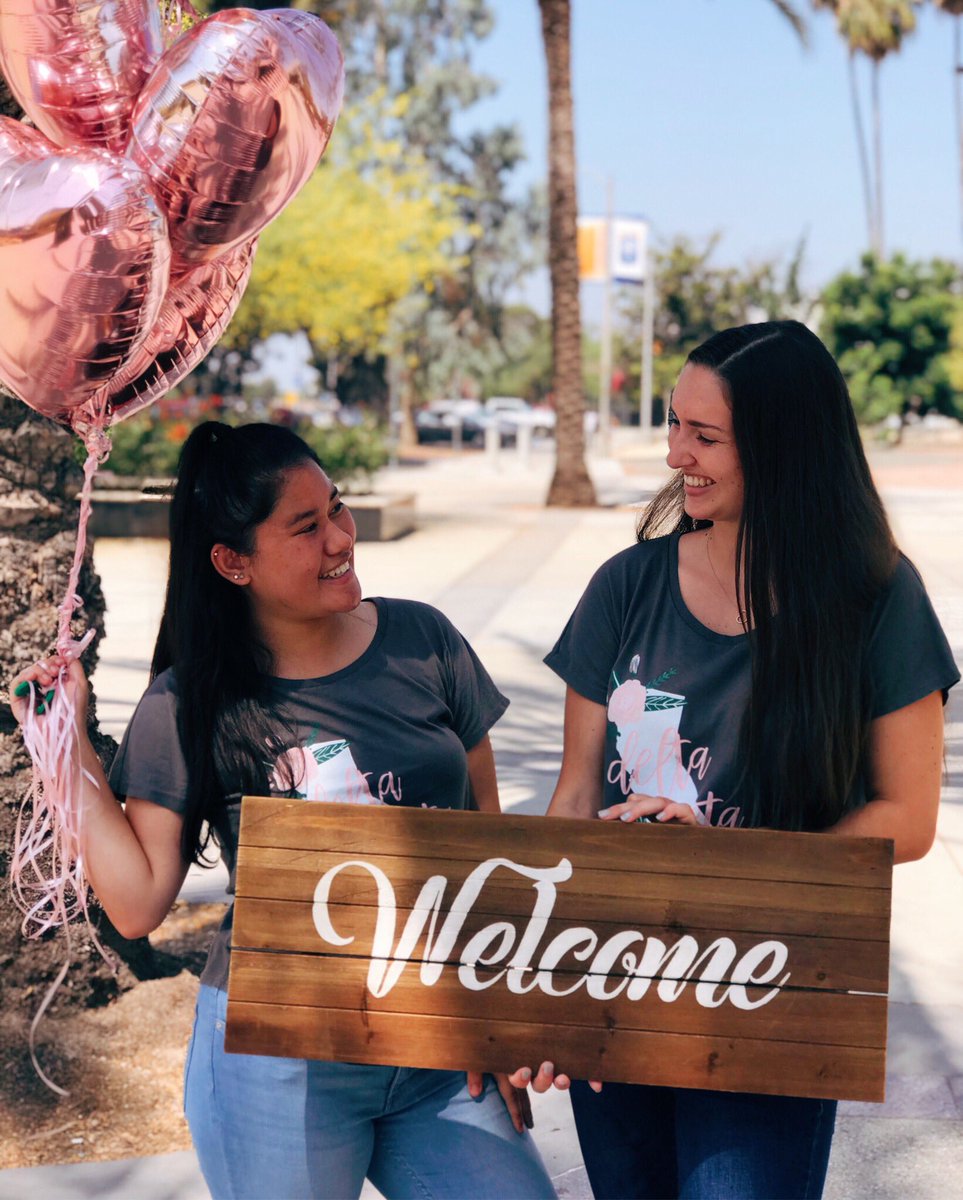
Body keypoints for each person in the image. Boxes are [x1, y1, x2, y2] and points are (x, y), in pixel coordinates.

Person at [10, 421, 556, 1200]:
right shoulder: (189, 701)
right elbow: (136, 905)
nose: (341, 537)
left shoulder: (423, 641)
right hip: (278, 1059)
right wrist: (65, 746)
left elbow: (488, 849)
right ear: (233, 562)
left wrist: (498, 1015)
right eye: (306, 526)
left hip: (440, 1044)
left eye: (337, 508)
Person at [511, 321, 960, 1200]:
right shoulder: (625, 585)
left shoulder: (877, 595)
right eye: (673, 424)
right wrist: (548, 994)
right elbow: (572, 797)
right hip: (616, 982)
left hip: (769, 986)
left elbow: (905, 820)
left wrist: (725, 857)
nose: (675, 454)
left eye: (704, 436)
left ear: (786, 447)